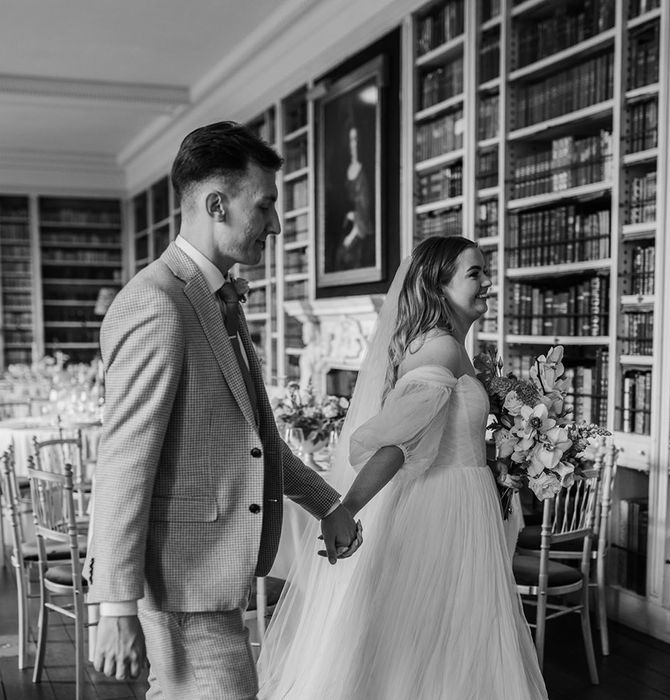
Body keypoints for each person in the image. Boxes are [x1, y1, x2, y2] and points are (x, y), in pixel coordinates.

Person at [86, 121, 362, 700]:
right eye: (264, 206)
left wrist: (327, 503)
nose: (277, 225)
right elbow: (122, 464)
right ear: (217, 204)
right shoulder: (157, 303)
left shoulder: (216, 298)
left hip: (212, 582)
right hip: (185, 585)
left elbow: (257, 438)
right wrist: (114, 605)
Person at [258, 236, 548, 699]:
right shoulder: (440, 351)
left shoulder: (451, 347)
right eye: (475, 273)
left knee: (447, 647)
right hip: (442, 513)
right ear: (439, 286)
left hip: (463, 504)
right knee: (436, 651)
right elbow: (398, 443)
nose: (488, 281)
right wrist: (346, 507)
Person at [334, 124, 374, 271]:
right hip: (348, 224)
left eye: (356, 139)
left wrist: (356, 222)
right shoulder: (343, 170)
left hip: (361, 227)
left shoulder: (366, 170)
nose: (354, 143)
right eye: (351, 139)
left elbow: (366, 203)